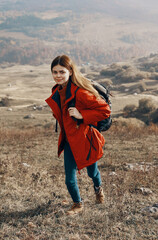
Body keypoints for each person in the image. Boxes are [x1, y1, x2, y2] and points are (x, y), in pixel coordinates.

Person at [45, 55, 111, 215]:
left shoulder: (80, 92)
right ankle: (77, 204)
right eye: (55, 72)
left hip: (87, 139)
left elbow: (104, 111)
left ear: (70, 71)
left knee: (92, 172)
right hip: (69, 140)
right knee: (69, 177)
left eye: (62, 71)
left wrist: (82, 115)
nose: (58, 75)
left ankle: (98, 189)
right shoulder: (57, 90)